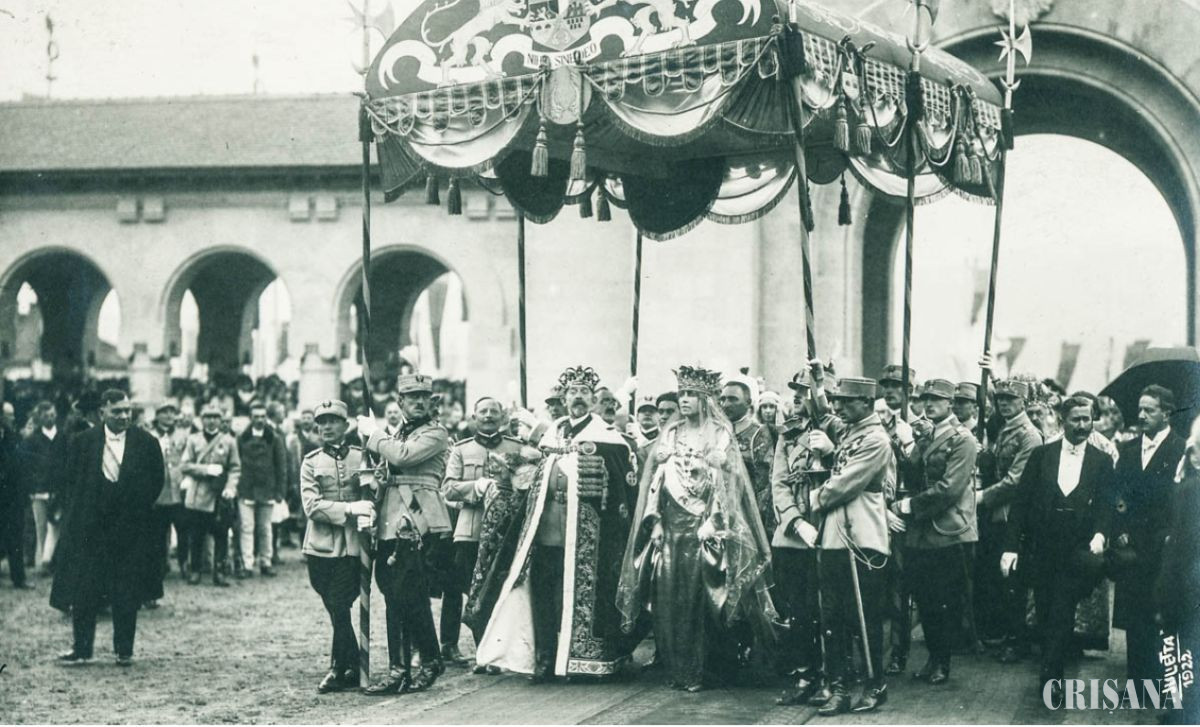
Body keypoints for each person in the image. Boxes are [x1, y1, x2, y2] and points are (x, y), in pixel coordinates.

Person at [616, 364, 775, 692]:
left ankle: (707, 669)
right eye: (682, 394)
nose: (684, 400)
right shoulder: (671, 433)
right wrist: (655, 522)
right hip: (672, 527)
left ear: (705, 399)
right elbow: (656, 482)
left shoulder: (720, 432)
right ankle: (679, 667)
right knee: (671, 595)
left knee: (705, 598)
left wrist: (715, 517)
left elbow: (730, 482)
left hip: (707, 527)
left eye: (691, 394)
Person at [476, 365, 636, 681]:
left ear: (593, 399)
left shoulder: (605, 435)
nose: (578, 397)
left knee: (580, 596)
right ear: (564, 399)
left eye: (584, 392)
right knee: (543, 594)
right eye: (573, 392)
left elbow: (619, 477)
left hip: (587, 535)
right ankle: (545, 659)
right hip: (548, 529)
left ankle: (579, 660)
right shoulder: (554, 432)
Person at [1000, 395, 1114, 701]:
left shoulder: (1101, 461)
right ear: (1063, 421)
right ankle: (1050, 667)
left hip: (1076, 551)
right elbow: (1021, 504)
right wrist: (1010, 548)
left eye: (1087, 419)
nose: (1082, 425)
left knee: (1062, 612)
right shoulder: (1042, 455)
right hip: (1041, 550)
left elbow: (1106, 505)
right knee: (1045, 610)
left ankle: (1052, 678)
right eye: (1076, 419)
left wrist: (1100, 534)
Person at [50, 390, 164, 666]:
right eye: (117, 411)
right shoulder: (82, 442)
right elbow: (71, 481)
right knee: (84, 589)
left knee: (126, 590)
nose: (124, 416)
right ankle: (82, 649)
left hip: (129, 529)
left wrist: (135, 509)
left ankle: (124, 650)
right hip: (91, 529)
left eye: (127, 411)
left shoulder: (146, 443)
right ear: (102, 412)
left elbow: (156, 480)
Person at [358, 373, 450, 694]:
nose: (420, 402)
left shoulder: (435, 432)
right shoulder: (398, 433)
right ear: (401, 402)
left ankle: (430, 659)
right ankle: (399, 668)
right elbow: (389, 469)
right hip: (390, 520)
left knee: (410, 593)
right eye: (413, 397)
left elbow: (403, 456)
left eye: (424, 397)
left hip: (419, 520)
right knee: (392, 594)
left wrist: (374, 434)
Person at [808, 377, 894, 714]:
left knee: (865, 616)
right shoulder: (848, 431)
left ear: (867, 403)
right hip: (835, 536)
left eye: (846, 401)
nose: (839, 407)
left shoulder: (876, 439)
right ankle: (840, 687)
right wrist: (817, 379)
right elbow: (821, 411)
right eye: (837, 400)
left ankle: (875, 684)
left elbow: (846, 483)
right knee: (833, 615)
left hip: (863, 537)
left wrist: (812, 499)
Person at [892, 379, 978, 685]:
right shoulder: (926, 434)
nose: (928, 404)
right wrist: (906, 446)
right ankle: (933, 657)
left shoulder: (963, 439)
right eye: (925, 398)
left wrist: (909, 505)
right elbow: (915, 474)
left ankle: (943, 661)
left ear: (950, 403)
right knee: (925, 598)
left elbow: (950, 488)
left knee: (945, 600)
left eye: (936, 399)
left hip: (947, 529)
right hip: (922, 532)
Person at [771, 365, 843, 705]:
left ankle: (834, 676)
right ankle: (805, 674)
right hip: (795, 534)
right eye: (795, 390)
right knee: (797, 609)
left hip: (830, 530)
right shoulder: (788, 433)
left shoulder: (838, 430)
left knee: (830, 609)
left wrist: (831, 451)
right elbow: (779, 483)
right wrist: (796, 521)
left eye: (805, 390)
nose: (798, 396)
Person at [1111, 384, 1186, 699]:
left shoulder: (1181, 450)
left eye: (1149, 410)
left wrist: (1171, 535)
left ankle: (1164, 685)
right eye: (1140, 409)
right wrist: (1119, 528)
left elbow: (1183, 500)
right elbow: (1116, 493)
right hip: (1131, 546)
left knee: (1161, 614)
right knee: (1134, 615)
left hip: (1163, 545)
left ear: (1166, 413)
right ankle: (1137, 684)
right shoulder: (1128, 450)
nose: (1141, 415)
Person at [441, 397, 524, 669]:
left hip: (506, 533)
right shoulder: (462, 449)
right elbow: (448, 488)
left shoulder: (516, 447)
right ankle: (479, 652)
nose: (488, 415)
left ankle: (498, 651)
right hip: (471, 532)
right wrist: (476, 486)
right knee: (471, 590)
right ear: (474, 416)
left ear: (502, 417)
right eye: (483, 411)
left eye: (493, 411)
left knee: (500, 591)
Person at [300, 399, 375, 693]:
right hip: (319, 547)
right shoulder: (311, 461)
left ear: (346, 425)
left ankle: (338, 668)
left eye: (333, 421)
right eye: (322, 422)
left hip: (354, 546)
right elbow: (311, 506)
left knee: (339, 603)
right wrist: (350, 508)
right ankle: (352, 663)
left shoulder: (362, 456)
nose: (327, 427)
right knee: (334, 606)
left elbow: (376, 493)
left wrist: (371, 498)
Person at [975, 378, 1042, 661]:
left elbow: (1016, 481)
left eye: (1011, 399)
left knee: (1014, 578)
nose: (1004, 403)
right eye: (1000, 399)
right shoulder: (1003, 429)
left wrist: (981, 497)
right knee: (999, 578)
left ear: (1023, 402)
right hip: (997, 513)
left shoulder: (1029, 435)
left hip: (1016, 514)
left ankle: (1017, 640)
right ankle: (1004, 634)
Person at [1157, 414, 1200, 723]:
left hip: (1191, 581)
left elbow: (1179, 548)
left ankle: (1183, 709)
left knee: (1186, 645)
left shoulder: (1190, 491)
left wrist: (1163, 593)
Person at [875, 365, 915, 677]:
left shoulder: (918, 426)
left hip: (904, 513)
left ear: (909, 391)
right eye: (886, 385)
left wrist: (909, 444)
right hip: (875, 510)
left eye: (896, 386)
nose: (890, 391)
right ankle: (872, 652)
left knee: (901, 588)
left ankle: (899, 652)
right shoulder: (872, 422)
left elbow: (921, 471)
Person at [181, 403, 242, 587]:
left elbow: (235, 468)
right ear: (202, 419)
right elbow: (185, 465)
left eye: (215, 417)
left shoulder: (229, 441)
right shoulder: (193, 439)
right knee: (197, 535)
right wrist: (206, 469)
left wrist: (231, 487)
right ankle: (195, 570)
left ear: (221, 420)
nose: (212, 421)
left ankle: (220, 572)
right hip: (198, 494)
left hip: (219, 495)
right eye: (208, 417)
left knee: (221, 535)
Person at [236, 401, 288, 578]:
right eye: (256, 416)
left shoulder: (274, 438)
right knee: (247, 527)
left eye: (262, 416)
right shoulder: (242, 438)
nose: (259, 420)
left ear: (266, 418)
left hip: (267, 489)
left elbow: (281, 466)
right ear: (250, 418)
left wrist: (280, 491)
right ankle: (247, 564)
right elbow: (236, 463)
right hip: (246, 489)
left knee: (265, 528)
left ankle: (266, 561)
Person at [720, 378, 776, 537]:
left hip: (749, 516)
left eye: (733, 399)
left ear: (748, 403)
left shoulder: (759, 433)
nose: (726, 404)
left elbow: (764, 484)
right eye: (723, 399)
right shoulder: (720, 433)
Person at [148, 400, 189, 606]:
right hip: (158, 492)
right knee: (157, 534)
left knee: (183, 529)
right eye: (165, 412)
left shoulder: (182, 435)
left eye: (172, 413)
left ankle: (184, 563)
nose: (169, 416)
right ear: (157, 416)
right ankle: (161, 566)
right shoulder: (149, 435)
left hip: (178, 490)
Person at [21, 401, 60, 575]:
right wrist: (32, 486)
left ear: (56, 415)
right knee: (41, 527)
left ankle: (51, 561)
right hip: (38, 491)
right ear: (40, 418)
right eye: (46, 416)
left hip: (58, 490)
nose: (50, 418)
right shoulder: (32, 440)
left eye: (52, 415)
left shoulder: (62, 437)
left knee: (56, 526)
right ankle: (41, 564)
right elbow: (27, 465)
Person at [0, 407, 30, 589]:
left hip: (13, 497)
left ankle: (19, 578)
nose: (12, 418)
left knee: (16, 537)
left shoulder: (13, 437)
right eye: (9, 415)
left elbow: (19, 463)